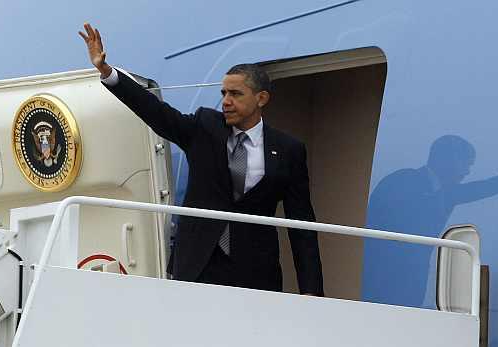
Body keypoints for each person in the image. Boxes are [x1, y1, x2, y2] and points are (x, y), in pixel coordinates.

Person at [79, 23, 323, 295]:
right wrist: (108, 73)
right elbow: (157, 113)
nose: (226, 101)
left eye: (236, 94)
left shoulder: (289, 150)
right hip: (197, 266)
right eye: (224, 94)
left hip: (255, 272)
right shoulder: (205, 127)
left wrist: (311, 292)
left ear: (261, 98)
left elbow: (302, 227)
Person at [363, 135, 498, 307]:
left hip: (411, 283)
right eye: (466, 164)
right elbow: (378, 219)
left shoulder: (446, 193)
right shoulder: (403, 180)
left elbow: (477, 189)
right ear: (447, 161)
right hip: (380, 278)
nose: (467, 172)